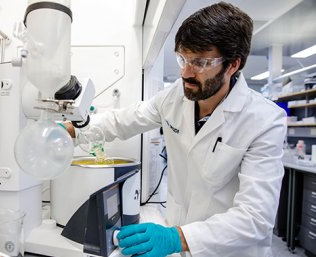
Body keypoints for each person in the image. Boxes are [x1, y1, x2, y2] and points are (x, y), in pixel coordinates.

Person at [67, 2, 286, 257]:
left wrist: (177, 237)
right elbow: (123, 121)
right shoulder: (173, 99)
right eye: (182, 58)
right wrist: (72, 130)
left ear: (233, 65)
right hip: (183, 246)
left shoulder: (265, 121)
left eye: (200, 62)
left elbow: (255, 218)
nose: (185, 72)